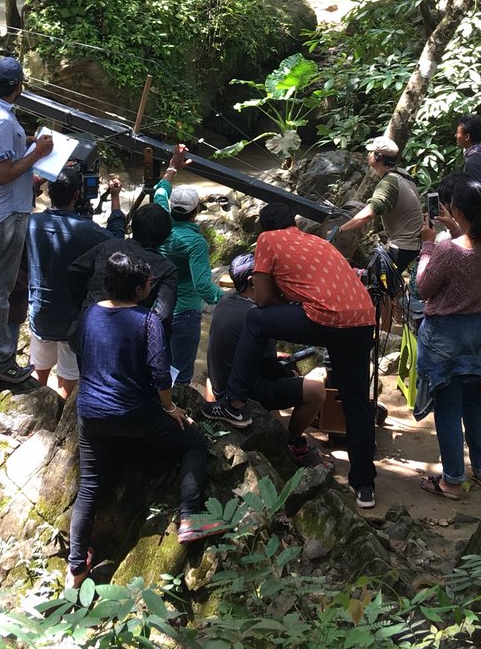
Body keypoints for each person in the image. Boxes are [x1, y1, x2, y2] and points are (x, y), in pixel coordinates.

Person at [66, 251, 229, 586]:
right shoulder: (147, 320)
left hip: (92, 412)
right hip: (134, 413)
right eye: (148, 282)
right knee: (193, 443)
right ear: (140, 289)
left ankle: (76, 567)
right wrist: (170, 408)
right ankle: (190, 517)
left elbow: (80, 351)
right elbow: (160, 375)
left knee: (90, 487)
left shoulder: (90, 314)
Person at [202, 203, 378, 509]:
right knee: (357, 401)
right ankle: (364, 485)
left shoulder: (268, 240)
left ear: (263, 229)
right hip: (362, 319)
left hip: (327, 318)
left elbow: (265, 299)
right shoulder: (318, 242)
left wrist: (283, 294)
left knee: (256, 321)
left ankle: (234, 403)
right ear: (294, 222)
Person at [416, 177, 481, 499]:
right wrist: (456, 228)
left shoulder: (445, 251)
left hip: (446, 336)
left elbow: (423, 288)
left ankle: (452, 480)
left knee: (447, 408)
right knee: (475, 403)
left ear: (456, 208)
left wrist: (428, 244)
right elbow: (474, 252)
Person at [0, 56, 54, 384]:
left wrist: (26, 142)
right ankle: (3, 361)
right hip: (5, 214)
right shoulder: (2, 121)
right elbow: (3, 173)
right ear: (17, 86)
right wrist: (37, 155)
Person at [205, 252, 328, 468]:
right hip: (245, 392)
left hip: (219, 383)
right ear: (254, 281)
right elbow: (270, 367)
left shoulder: (226, 300)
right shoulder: (259, 314)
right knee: (316, 388)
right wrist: (289, 373)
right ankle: (293, 442)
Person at [26, 165, 111, 399]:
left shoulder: (30, 224)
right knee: (69, 374)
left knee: (38, 368)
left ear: (49, 192)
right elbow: (116, 242)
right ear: (77, 194)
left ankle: (36, 408)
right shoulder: (88, 230)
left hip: (40, 311)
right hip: (72, 318)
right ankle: (57, 414)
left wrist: (35, 181)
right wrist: (115, 201)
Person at [68, 181, 179, 334]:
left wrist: (86, 303)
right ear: (165, 237)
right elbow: (163, 316)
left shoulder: (108, 246)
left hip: (89, 329)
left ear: (133, 227)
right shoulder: (167, 269)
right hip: (130, 337)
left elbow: (75, 270)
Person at [154, 145, 222, 385]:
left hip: (157, 306)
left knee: (157, 364)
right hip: (184, 311)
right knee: (181, 372)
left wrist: (173, 165)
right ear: (196, 211)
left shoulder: (160, 220)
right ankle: (178, 413)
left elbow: (160, 191)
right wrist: (230, 301)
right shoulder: (195, 243)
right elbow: (203, 285)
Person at [334, 136, 423, 272]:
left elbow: (369, 214)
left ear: (378, 157)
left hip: (403, 246)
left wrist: (340, 229)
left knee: (375, 286)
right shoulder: (403, 175)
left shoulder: (389, 183)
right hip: (413, 244)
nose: (368, 154)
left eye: (371, 152)